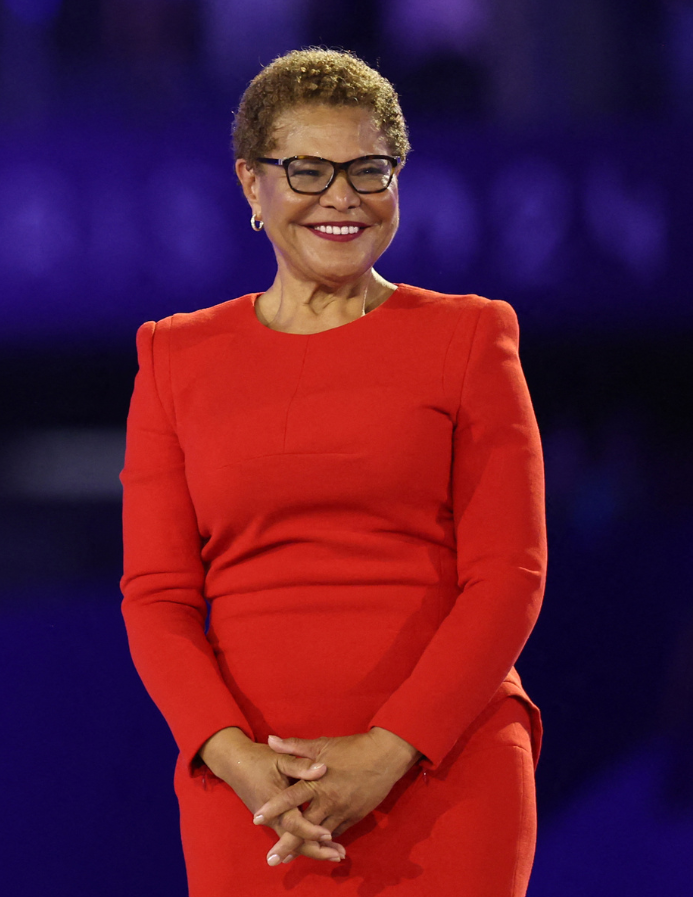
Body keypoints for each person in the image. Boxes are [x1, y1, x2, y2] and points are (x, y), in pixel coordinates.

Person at [120, 49, 544, 894]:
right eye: (308, 170)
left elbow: (510, 577)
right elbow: (157, 598)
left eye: (369, 169)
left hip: (443, 774)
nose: (342, 198)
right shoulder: (175, 357)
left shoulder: (471, 338)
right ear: (252, 184)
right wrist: (235, 759)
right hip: (255, 798)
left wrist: (387, 754)